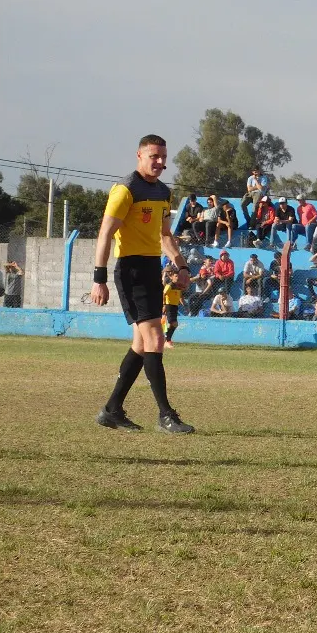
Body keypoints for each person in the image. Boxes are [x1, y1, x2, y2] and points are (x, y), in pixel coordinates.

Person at [91, 135, 195, 435]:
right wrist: (99, 279)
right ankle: (165, 415)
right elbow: (105, 234)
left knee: (141, 345)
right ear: (139, 155)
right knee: (155, 339)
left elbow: (164, 236)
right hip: (131, 269)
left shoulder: (163, 191)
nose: (160, 162)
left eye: (164, 157)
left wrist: (181, 263)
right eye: (154, 156)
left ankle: (112, 410)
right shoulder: (125, 190)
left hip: (152, 268)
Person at [161, 265, 182, 349]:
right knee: (174, 323)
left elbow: (179, 297)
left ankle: (166, 340)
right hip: (169, 306)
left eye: (178, 276)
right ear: (172, 277)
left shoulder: (177, 286)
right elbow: (163, 294)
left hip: (174, 306)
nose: (177, 278)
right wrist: (164, 305)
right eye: (176, 276)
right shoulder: (170, 285)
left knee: (171, 324)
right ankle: (167, 340)